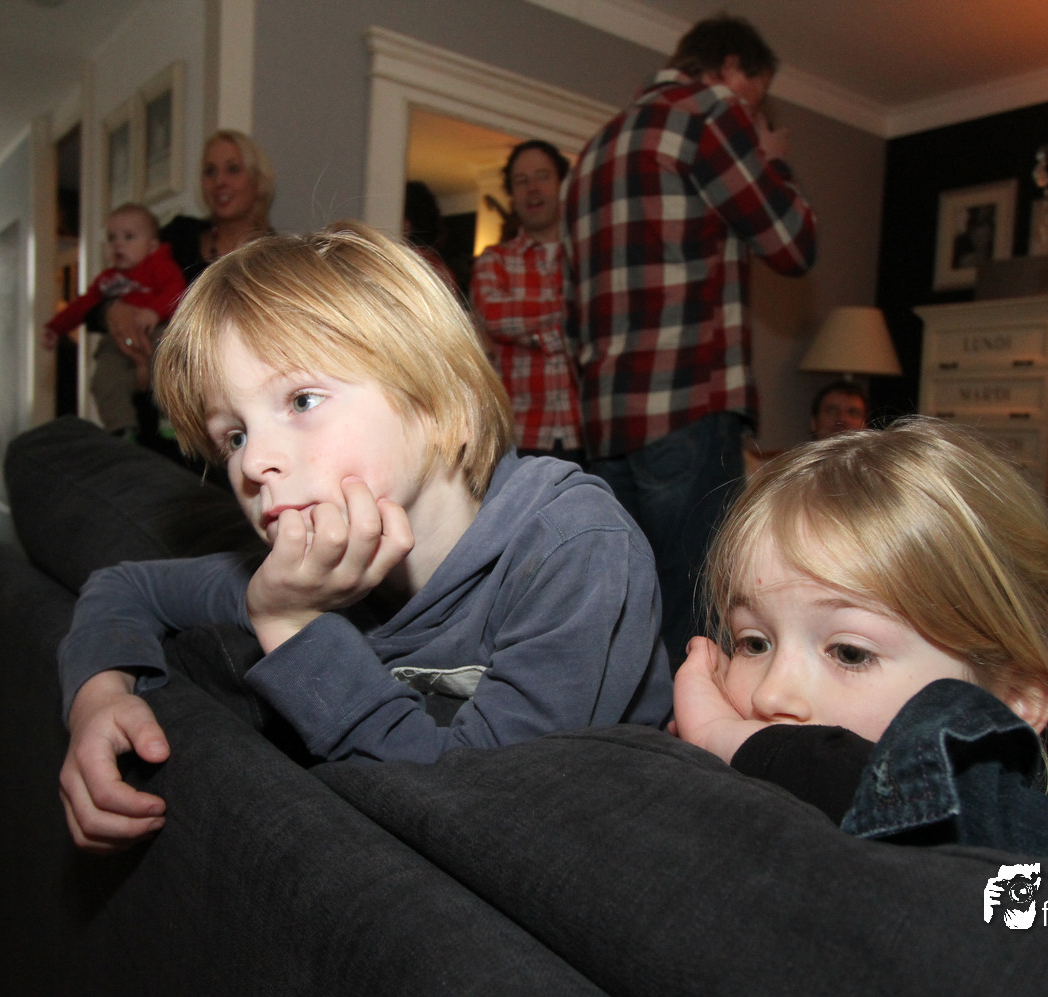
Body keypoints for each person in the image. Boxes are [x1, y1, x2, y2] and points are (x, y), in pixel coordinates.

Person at [58, 220, 673, 852]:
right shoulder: (299, 571)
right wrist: (97, 698)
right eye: (234, 436)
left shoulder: (573, 546)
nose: (253, 462)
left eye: (301, 401)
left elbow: (486, 809)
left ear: (444, 405)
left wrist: (292, 628)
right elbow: (123, 587)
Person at [671, 417, 1048, 897]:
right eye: (754, 642)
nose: (771, 693)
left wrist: (758, 751)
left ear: (1017, 697)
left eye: (849, 652)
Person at [566, 13, 818, 667]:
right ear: (732, 69)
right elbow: (793, 244)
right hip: (684, 404)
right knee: (701, 612)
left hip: (606, 421)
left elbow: (574, 301)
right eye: (755, 95)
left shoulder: (595, 148)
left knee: (626, 609)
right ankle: (694, 732)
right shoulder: (708, 111)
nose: (753, 111)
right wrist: (773, 158)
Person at [95, 130, 276, 447]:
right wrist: (113, 310)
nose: (219, 181)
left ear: (258, 181)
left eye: (233, 169)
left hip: (228, 433)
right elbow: (101, 301)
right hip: (152, 430)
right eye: (210, 171)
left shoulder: (276, 260)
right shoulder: (176, 238)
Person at [470, 140, 583, 465]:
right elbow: (495, 316)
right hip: (520, 436)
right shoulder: (495, 260)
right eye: (521, 181)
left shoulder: (587, 258)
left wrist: (532, 337)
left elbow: (605, 320)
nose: (532, 188)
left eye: (542, 176)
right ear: (512, 195)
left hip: (588, 434)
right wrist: (570, 310)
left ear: (562, 185)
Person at [44, 203, 187, 437]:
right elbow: (82, 305)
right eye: (112, 238)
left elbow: (177, 291)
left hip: (157, 330)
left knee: (170, 366)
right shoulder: (108, 279)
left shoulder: (159, 264)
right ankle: (120, 428)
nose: (118, 244)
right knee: (104, 379)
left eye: (129, 237)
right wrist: (55, 328)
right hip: (117, 342)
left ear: (152, 245)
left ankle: (173, 417)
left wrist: (154, 312)